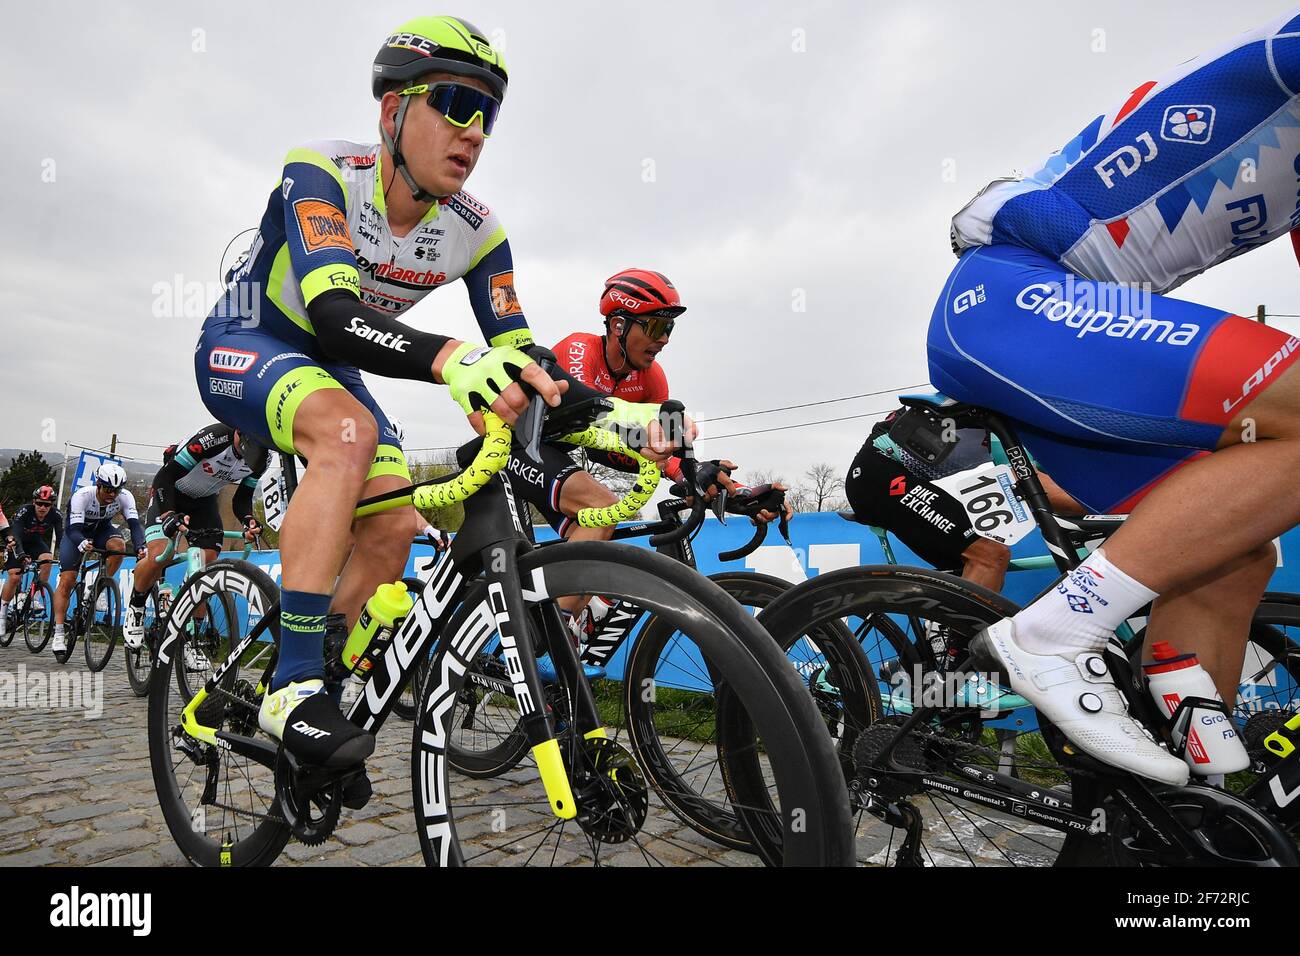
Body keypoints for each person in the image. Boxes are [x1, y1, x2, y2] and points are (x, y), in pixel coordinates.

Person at [193, 17, 687, 774]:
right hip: (253, 339)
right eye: (455, 102)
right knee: (349, 436)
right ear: (392, 112)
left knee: (392, 533)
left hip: (335, 371)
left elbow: (528, 360)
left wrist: (622, 422)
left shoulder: (478, 230)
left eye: (487, 113)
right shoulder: (322, 170)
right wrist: (453, 359)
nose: (474, 131)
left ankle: (314, 681)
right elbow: (335, 313)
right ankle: (291, 688)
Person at [928, 7, 1300, 784]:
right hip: (1016, 297)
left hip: (1067, 334)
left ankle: (1175, 794)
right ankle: (1053, 636)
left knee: (1234, 547)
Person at [508, 268, 788, 627]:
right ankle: (552, 640)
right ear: (618, 326)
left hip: (558, 459)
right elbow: (596, 419)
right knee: (603, 505)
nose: (665, 340)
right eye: (656, 327)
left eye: (669, 329)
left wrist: (716, 486)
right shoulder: (580, 349)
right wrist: (653, 447)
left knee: (594, 549)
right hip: (519, 447)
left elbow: (666, 449)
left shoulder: (651, 378)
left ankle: (555, 638)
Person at [844, 409, 1079, 591]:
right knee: (989, 555)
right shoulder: (1003, 411)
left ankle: (946, 632)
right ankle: (964, 648)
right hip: (879, 474)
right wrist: (1111, 514)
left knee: (976, 565)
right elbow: (1029, 483)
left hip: (892, 474)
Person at [123, 425, 268, 650]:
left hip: (204, 502)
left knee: (204, 565)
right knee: (160, 555)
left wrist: (248, 519)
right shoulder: (215, 439)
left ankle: (191, 635)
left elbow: (242, 498)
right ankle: (137, 607)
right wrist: (169, 514)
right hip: (171, 493)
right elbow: (165, 477)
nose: (247, 456)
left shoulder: (261, 458)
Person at [51, 464, 145, 656]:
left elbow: (135, 526)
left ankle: (97, 587)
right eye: (108, 489)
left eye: (117, 490)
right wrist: (82, 543)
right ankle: (59, 632)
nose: (112, 494)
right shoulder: (83, 496)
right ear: (98, 485)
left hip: (102, 529)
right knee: (68, 579)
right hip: (76, 533)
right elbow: (72, 529)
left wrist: (140, 546)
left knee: (118, 546)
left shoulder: (125, 497)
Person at [3, 486, 61, 628]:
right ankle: (2, 614)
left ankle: (34, 598)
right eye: (39, 503)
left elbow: (61, 537)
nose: (42, 508)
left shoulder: (56, 515)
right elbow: (15, 532)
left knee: (48, 559)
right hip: (17, 542)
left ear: (51, 505)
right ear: (34, 502)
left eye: (47, 505)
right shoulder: (25, 510)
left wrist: (66, 555)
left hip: (35, 542)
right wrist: (21, 553)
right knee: (15, 577)